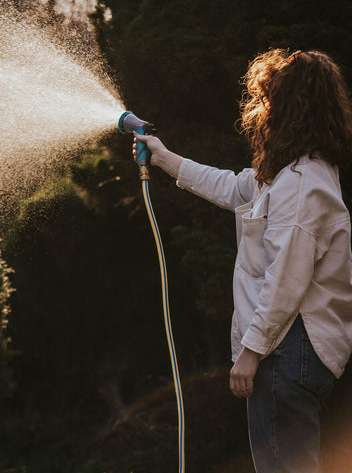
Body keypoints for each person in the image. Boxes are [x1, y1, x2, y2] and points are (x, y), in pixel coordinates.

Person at [132, 49, 352, 472]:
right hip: (296, 350)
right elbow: (234, 188)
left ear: (289, 109)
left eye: (270, 101)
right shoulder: (292, 174)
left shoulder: (302, 186)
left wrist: (251, 352)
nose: (261, 110)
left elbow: (286, 279)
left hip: (287, 350)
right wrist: (164, 158)